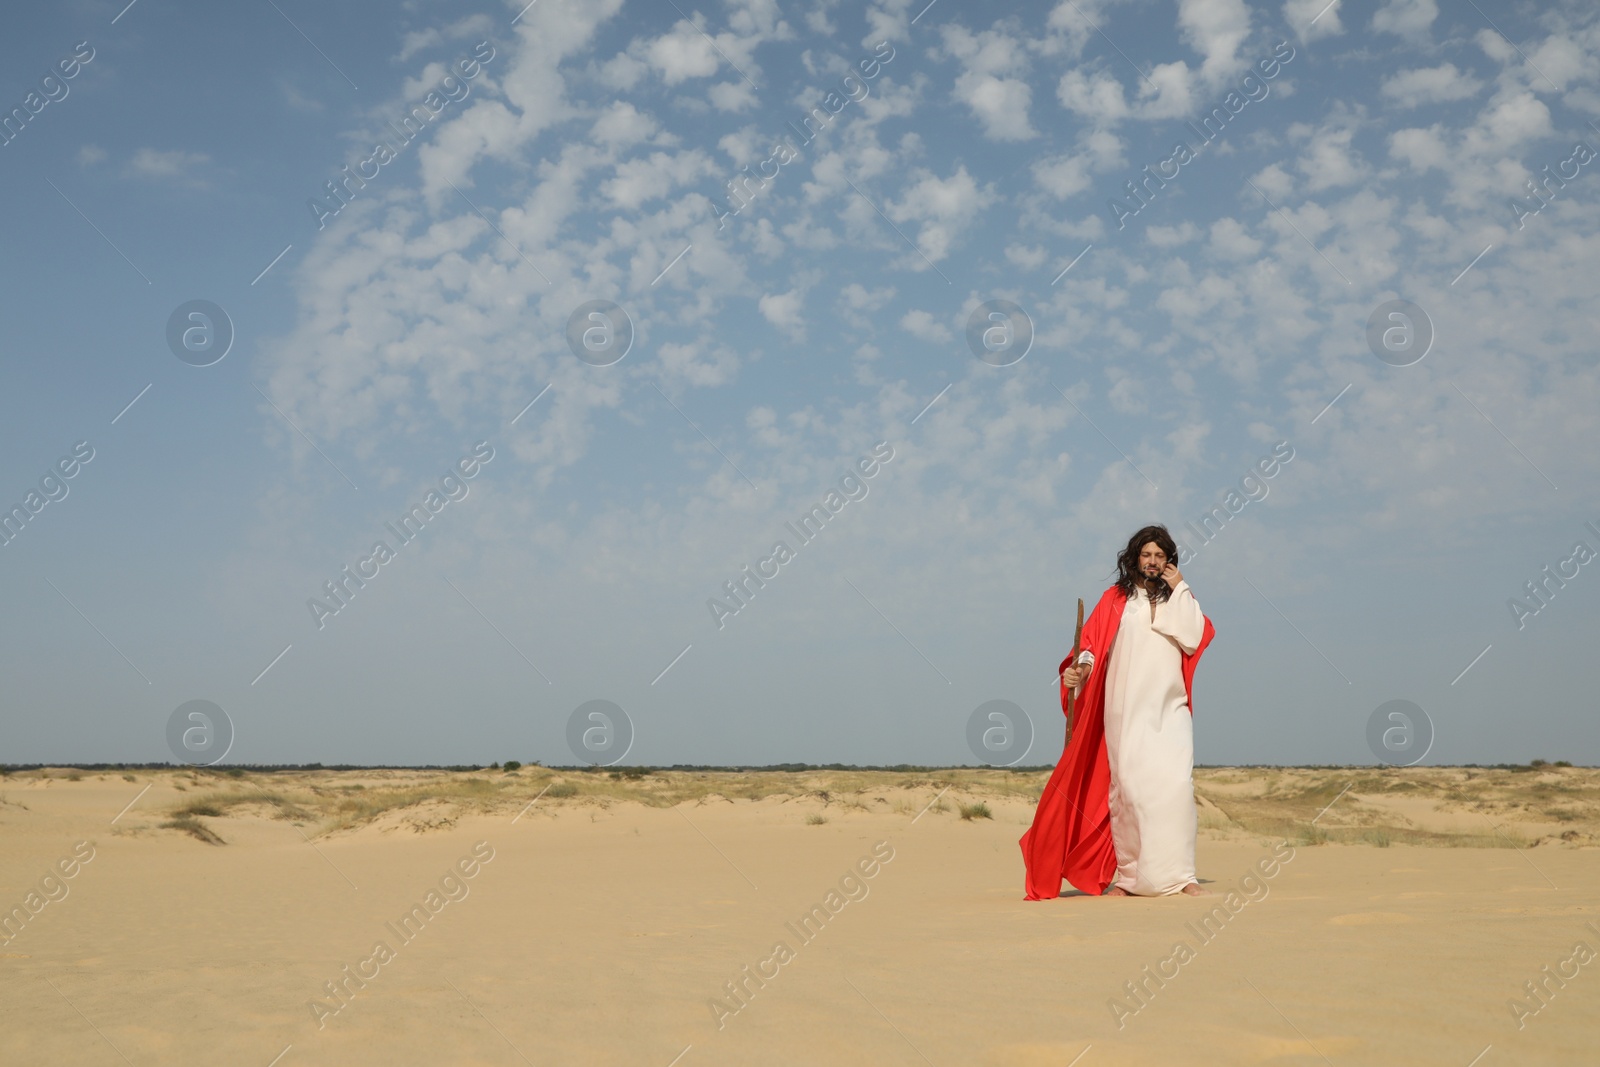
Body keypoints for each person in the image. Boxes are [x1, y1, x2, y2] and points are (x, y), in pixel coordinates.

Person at [1019, 525, 1215, 899]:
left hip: (1170, 708)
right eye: (1147, 555)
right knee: (1129, 792)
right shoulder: (1115, 599)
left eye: (1160, 556)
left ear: (1169, 560)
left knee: (1176, 788)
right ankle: (1129, 878)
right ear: (1135, 558)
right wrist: (1080, 670)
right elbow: (1091, 646)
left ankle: (1182, 876)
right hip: (1125, 711)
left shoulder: (1179, 598)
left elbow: (1194, 636)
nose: (1153, 561)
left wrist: (1179, 585)